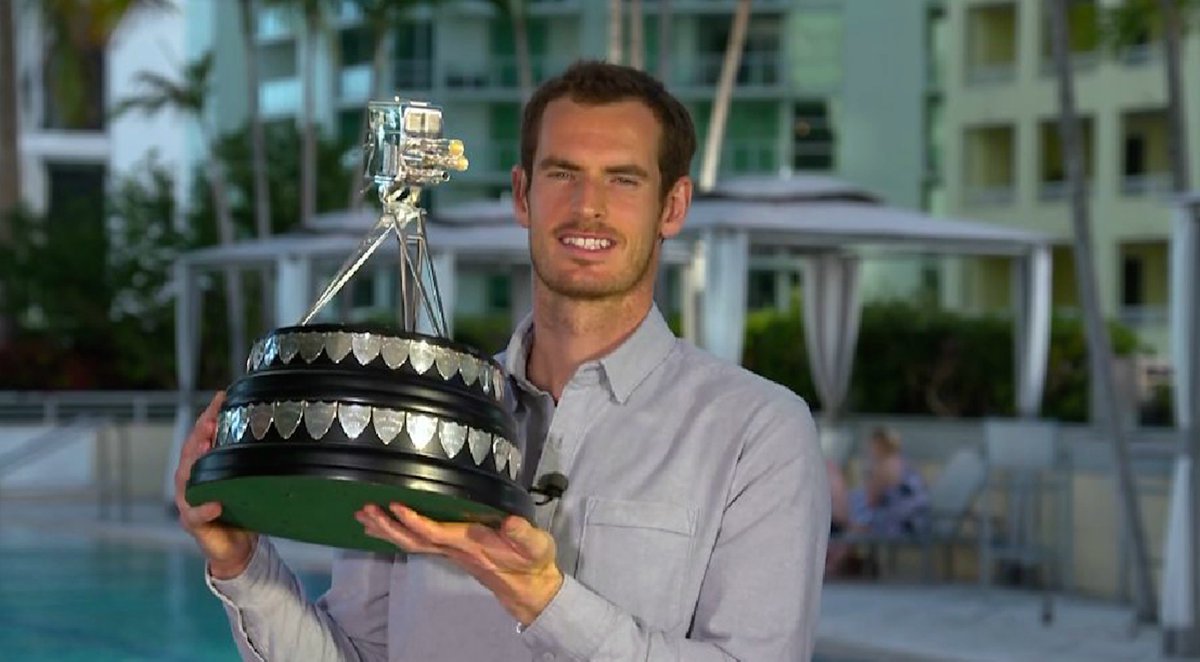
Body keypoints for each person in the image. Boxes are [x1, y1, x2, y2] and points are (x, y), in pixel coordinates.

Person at [175, 60, 830, 661]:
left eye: (623, 179)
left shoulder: (758, 432)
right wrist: (243, 566)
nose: (588, 206)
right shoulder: (419, 420)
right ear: (522, 194)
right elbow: (355, 654)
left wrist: (544, 598)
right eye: (563, 173)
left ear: (673, 205)